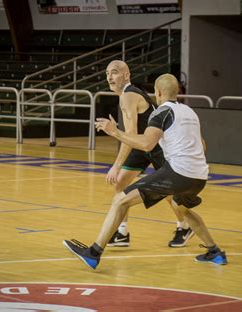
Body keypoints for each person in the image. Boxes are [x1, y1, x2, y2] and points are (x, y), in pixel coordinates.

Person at [63, 73, 227, 270]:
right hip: (200, 176)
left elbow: (147, 144)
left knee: (120, 200)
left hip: (178, 173)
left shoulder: (161, 112)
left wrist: (114, 131)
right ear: (178, 92)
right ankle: (215, 252)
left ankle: (94, 253)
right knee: (182, 207)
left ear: (157, 92)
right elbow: (202, 145)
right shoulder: (190, 112)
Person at [104, 60, 194, 248]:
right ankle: (122, 232)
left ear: (126, 75)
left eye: (114, 73)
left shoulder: (128, 95)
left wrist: (116, 165)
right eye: (107, 74)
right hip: (142, 146)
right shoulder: (127, 95)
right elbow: (133, 137)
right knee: (120, 183)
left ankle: (184, 227)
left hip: (156, 146)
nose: (109, 77)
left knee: (170, 194)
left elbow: (130, 135)